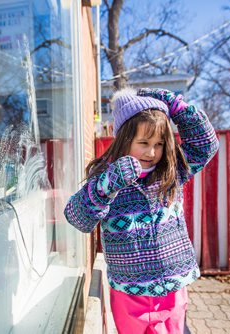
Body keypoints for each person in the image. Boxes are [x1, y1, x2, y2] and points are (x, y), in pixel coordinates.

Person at [64, 87, 219, 333]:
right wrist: (105, 187)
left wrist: (176, 106)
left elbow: (206, 145)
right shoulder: (107, 175)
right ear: (125, 139)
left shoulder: (172, 170)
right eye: (143, 143)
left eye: (159, 144)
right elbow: (77, 218)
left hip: (172, 287)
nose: (152, 152)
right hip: (130, 294)